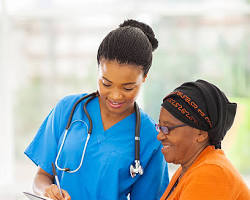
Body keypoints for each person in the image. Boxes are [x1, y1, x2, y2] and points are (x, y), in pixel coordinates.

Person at [24, 19, 169, 200]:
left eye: (128, 88)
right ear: (98, 70)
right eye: (106, 83)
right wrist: (47, 191)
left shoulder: (150, 137)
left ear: (144, 78)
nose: (115, 96)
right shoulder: (67, 109)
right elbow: (42, 178)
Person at [156, 79, 250, 200]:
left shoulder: (210, 172)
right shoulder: (189, 169)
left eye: (168, 128)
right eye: (160, 127)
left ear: (201, 133)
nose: (160, 136)